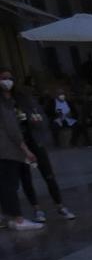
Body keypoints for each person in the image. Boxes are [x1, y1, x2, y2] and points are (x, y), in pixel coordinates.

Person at [13, 80, 72, 223]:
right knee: (26, 178)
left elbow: (42, 120)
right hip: (19, 145)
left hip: (35, 142)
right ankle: (37, 209)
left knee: (48, 174)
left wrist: (32, 119)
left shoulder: (29, 103)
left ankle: (60, 205)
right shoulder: (6, 106)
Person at [0, 69, 43, 233]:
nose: (7, 81)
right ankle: (17, 218)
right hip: (7, 149)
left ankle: (9, 216)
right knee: (9, 184)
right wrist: (26, 150)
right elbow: (12, 129)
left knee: (4, 184)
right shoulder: (4, 105)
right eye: (3, 78)